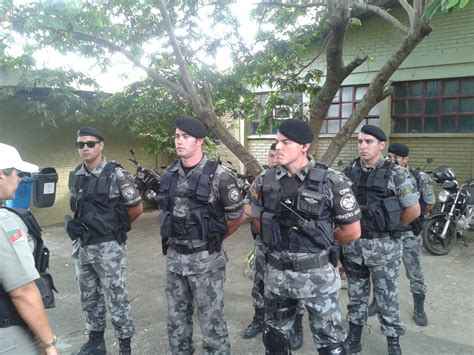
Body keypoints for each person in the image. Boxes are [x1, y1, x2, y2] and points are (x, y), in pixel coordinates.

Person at [250, 119, 362, 355]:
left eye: (286, 142)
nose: (278, 147)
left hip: (318, 277)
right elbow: (258, 222)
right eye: (277, 141)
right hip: (277, 278)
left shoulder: (332, 180)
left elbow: (352, 231)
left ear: (304, 146)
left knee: (330, 344)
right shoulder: (264, 180)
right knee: (276, 343)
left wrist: (322, 244)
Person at [157, 117, 246, 354]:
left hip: (206, 263)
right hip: (175, 262)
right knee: (176, 321)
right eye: (176, 136)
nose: (179, 141)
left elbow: (237, 215)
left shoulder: (220, 176)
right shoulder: (169, 175)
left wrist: (215, 237)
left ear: (200, 141)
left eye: (185, 137)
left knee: (212, 323)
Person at [342, 126, 421, 355]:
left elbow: (413, 211)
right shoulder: (349, 172)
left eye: (368, 142)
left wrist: (391, 227)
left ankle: (393, 342)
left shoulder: (397, 173)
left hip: (384, 249)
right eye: (360, 142)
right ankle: (354, 337)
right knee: (356, 296)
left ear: (381, 145)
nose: (363, 146)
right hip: (354, 248)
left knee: (387, 298)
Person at [66, 127, 143, 355]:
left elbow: (136, 208)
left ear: (101, 145)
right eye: (81, 144)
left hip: (108, 248)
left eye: (90, 143)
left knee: (116, 297)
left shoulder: (116, 174)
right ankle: (96, 341)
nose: (85, 148)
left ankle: (124, 344)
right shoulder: (76, 175)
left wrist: (114, 229)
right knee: (89, 297)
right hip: (83, 247)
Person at [242, 143, 306, 350]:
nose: (272, 158)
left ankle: (296, 324)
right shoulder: (262, 180)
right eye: (270, 155)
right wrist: (263, 226)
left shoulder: (303, 180)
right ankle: (259, 318)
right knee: (260, 283)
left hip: (295, 246)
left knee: (295, 286)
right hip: (265, 243)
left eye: (275, 154)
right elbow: (248, 207)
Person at [0, 143, 58, 355]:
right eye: (17, 173)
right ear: (1, 176)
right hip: (8, 336)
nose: (20, 179)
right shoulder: (4, 222)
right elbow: (23, 291)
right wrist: (48, 343)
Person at [384, 143, 433, 326]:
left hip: (409, 233)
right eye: (389, 156)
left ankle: (419, 307)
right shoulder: (383, 176)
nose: (392, 160)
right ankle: (377, 302)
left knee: (415, 272)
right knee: (383, 272)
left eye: (396, 157)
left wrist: (410, 220)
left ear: (405, 159)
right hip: (388, 235)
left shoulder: (419, 177)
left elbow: (428, 204)